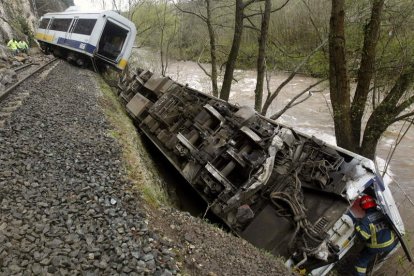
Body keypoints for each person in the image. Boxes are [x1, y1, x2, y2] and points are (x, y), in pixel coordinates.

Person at [354, 195, 398, 276]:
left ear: (362, 208)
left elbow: (364, 236)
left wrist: (357, 226)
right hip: (391, 243)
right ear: (374, 204)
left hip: (376, 247)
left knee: (360, 264)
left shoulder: (365, 220)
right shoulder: (383, 213)